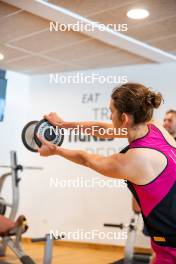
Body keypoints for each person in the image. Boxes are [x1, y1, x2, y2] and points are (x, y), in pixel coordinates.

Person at [37, 83, 176, 264]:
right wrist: (63, 125)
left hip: (171, 246)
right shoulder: (156, 128)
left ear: (124, 118)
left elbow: (86, 158)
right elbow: (104, 129)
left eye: (111, 112)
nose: (109, 117)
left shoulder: (133, 159)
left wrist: (56, 151)